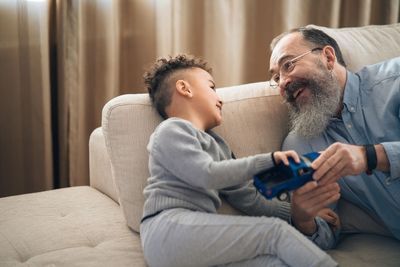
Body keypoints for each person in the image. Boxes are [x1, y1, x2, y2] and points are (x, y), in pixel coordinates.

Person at [140, 54, 337, 267]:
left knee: (273, 262)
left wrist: (298, 214)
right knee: (274, 232)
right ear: (184, 88)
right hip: (168, 230)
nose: (220, 98)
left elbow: (249, 198)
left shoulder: (218, 145)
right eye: (212, 87)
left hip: (197, 239)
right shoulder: (172, 130)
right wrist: (269, 160)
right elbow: (206, 174)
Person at [269, 26, 400, 246]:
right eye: (276, 78)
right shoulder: (300, 144)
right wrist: (303, 221)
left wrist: (370, 156)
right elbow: (327, 232)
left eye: (288, 65)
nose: (282, 83)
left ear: (328, 57)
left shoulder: (394, 82)